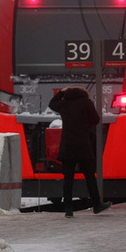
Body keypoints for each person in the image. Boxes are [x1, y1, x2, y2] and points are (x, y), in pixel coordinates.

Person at [48, 86, 112, 218]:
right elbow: (96, 120)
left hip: (68, 146)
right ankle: (96, 205)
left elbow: (51, 104)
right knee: (90, 177)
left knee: (68, 179)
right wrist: (85, 125)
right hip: (83, 145)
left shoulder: (64, 103)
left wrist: (60, 93)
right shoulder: (86, 102)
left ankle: (68, 209)